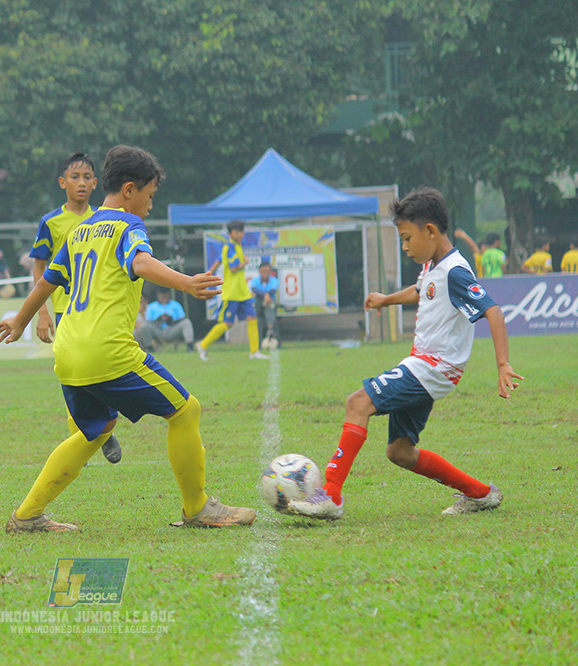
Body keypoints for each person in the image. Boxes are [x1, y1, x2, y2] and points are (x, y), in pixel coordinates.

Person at [0, 144, 256, 533]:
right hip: (107, 352)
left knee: (95, 431)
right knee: (186, 411)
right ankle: (198, 507)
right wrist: (186, 283)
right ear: (130, 190)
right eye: (150, 195)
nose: (150, 205)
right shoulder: (128, 226)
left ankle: (27, 515)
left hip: (68, 352)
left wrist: (19, 320)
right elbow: (140, 261)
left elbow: (47, 281)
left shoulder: (80, 230)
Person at [289, 187, 522, 521]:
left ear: (430, 230)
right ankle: (480, 493)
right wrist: (387, 300)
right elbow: (422, 291)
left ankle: (330, 496)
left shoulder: (455, 271)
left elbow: (493, 311)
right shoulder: (434, 266)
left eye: (407, 238)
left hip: (433, 367)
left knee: (358, 403)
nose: (405, 247)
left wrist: (502, 364)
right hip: (425, 366)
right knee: (399, 451)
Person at [27, 151, 121, 465]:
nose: (81, 183)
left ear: (96, 183)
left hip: (99, 310)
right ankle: (87, 438)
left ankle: (103, 426)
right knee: (73, 375)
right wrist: (42, 311)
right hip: (66, 310)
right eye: (75, 177)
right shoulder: (51, 222)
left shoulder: (104, 219)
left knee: (102, 368)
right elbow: (39, 267)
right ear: (62, 182)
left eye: (87, 177)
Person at [195, 220, 267, 361]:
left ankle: (254, 352)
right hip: (232, 292)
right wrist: (245, 263)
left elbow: (218, 261)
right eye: (237, 232)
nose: (240, 235)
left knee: (252, 318)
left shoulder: (236, 246)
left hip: (243, 292)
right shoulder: (230, 247)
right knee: (227, 323)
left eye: (241, 232)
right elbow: (234, 268)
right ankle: (203, 345)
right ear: (230, 233)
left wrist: (208, 275)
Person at [135, 287, 195, 352]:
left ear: (169, 294)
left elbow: (182, 318)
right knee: (144, 326)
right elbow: (148, 322)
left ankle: (190, 347)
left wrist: (171, 320)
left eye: (166, 296)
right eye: (162, 296)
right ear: (158, 295)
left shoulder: (176, 305)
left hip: (173, 329)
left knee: (187, 322)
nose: (164, 298)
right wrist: (159, 319)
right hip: (158, 330)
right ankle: (150, 349)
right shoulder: (152, 307)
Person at [249, 261, 280, 347]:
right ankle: (269, 329)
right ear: (260, 271)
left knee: (269, 304)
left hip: (270, 302)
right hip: (259, 305)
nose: (266, 274)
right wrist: (265, 295)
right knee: (264, 305)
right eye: (264, 271)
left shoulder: (274, 280)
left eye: (268, 271)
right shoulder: (255, 280)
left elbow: (273, 290)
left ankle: (271, 330)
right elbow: (255, 290)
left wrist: (267, 295)